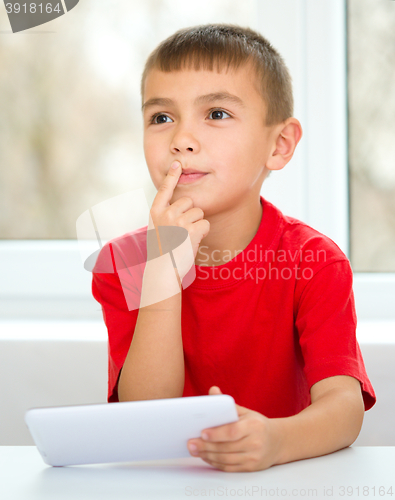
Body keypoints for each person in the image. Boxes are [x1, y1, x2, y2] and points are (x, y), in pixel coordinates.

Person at [92, 23, 376, 472]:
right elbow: (143, 415)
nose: (181, 139)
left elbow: (344, 408)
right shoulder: (121, 264)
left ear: (279, 145)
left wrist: (276, 441)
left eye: (217, 114)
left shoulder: (315, 262)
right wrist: (163, 271)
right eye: (161, 118)